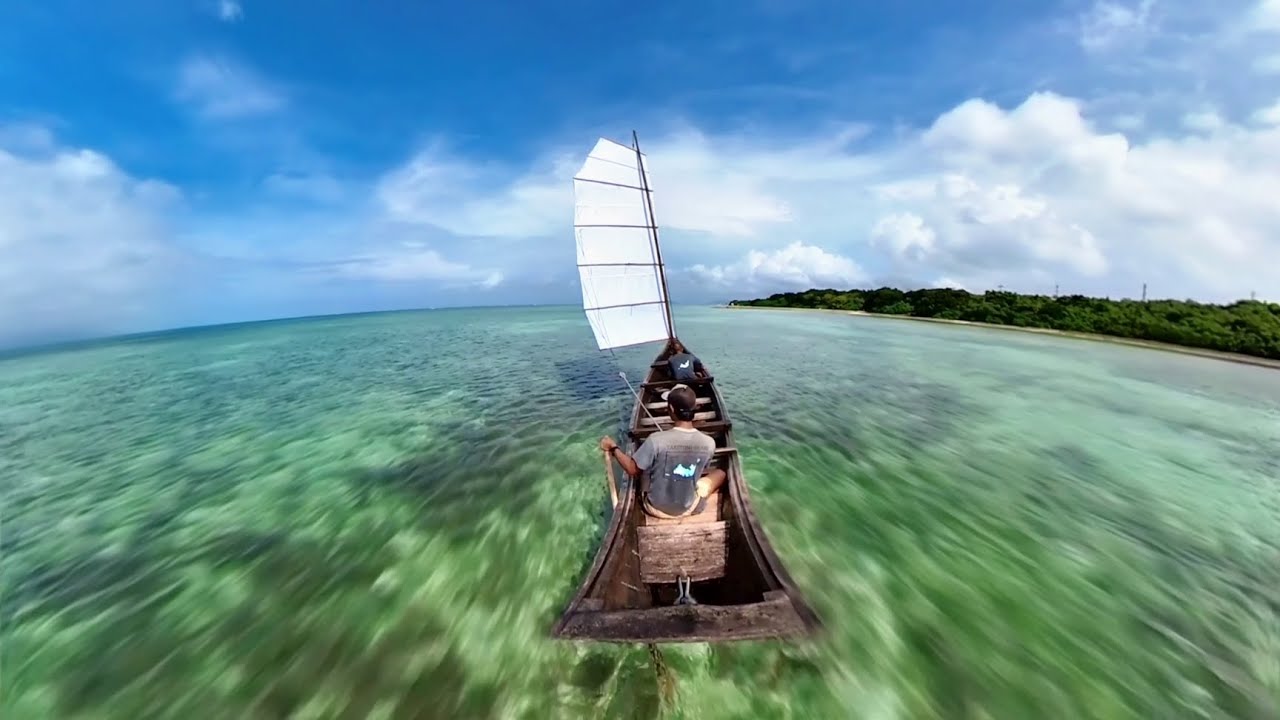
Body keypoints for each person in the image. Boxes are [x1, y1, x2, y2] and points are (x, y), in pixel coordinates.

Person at [599, 383, 726, 518]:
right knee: (721, 473)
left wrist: (613, 447)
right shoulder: (709, 443)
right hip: (689, 508)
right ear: (695, 408)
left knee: (645, 466)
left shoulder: (655, 440)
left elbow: (632, 469)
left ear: (670, 408)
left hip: (654, 508)